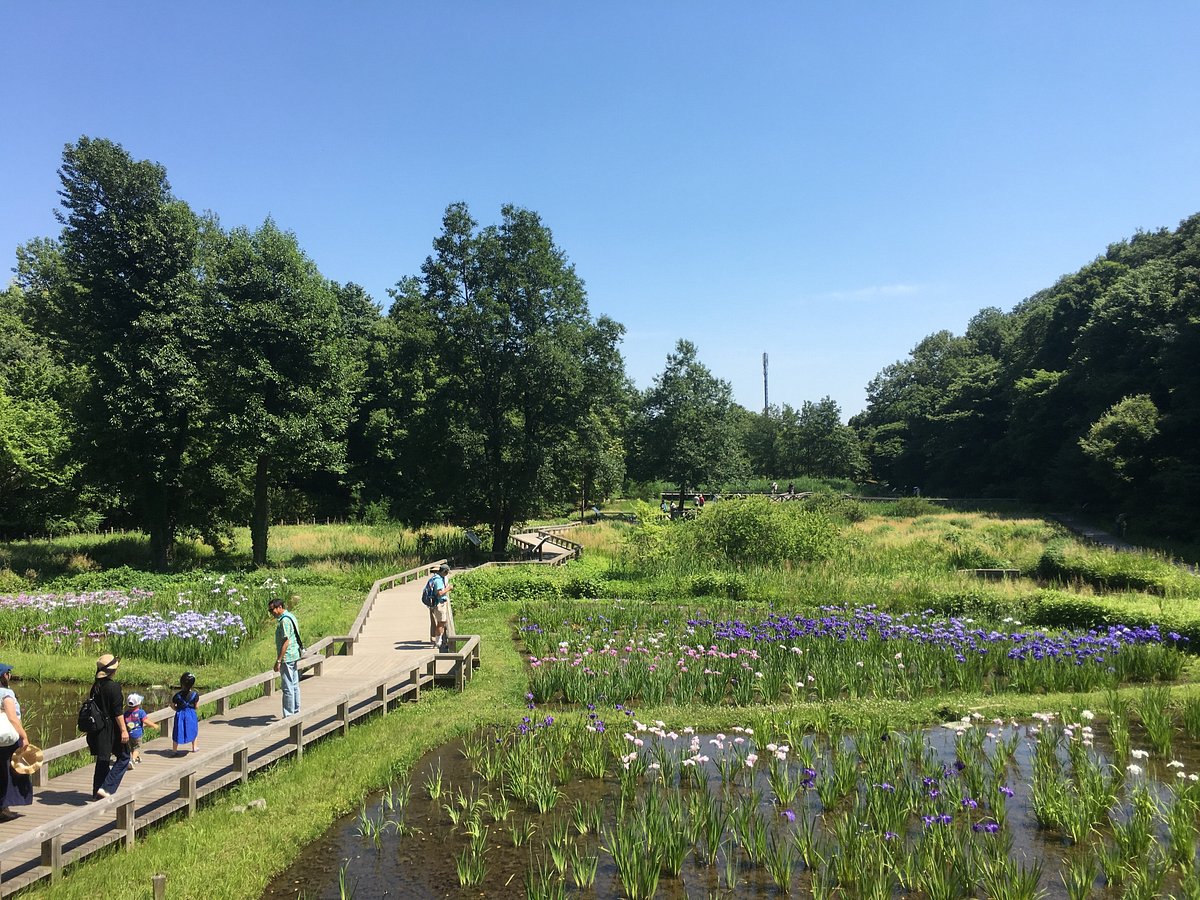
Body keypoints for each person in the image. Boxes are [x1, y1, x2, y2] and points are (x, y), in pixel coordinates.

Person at [88, 653, 130, 799]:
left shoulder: (96, 686)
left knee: (103, 759)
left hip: (98, 728)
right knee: (124, 757)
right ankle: (107, 788)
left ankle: (97, 792)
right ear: (113, 671)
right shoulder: (114, 687)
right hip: (112, 727)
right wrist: (124, 730)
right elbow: (118, 712)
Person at [0, 663, 33, 821]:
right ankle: (3, 807)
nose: (9, 675)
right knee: (10, 772)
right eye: (8, 672)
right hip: (8, 739)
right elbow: (12, 718)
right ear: (4, 676)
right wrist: (24, 736)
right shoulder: (6, 694)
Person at [270, 599, 302, 718]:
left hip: (287, 657)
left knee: (287, 687)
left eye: (272, 609)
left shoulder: (284, 621)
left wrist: (279, 660)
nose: (271, 612)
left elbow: (286, 641)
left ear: (279, 607)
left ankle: (289, 716)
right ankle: (296, 711)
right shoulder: (291, 616)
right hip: (294, 654)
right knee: (294, 685)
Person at [425, 563, 453, 652]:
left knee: (440, 622)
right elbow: (440, 593)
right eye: (447, 572)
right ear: (444, 572)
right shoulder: (438, 580)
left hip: (434, 603)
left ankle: (438, 640)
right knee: (441, 622)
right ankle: (439, 641)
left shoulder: (435, 578)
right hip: (439, 604)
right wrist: (449, 588)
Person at [170, 674, 199, 756]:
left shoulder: (177, 696)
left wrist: (177, 709)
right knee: (193, 729)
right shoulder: (195, 695)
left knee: (177, 730)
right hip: (191, 713)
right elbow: (196, 706)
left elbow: (172, 705)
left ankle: (174, 750)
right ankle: (194, 747)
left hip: (180, 714)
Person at [124, 693, 154, 764]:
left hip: (129, 734)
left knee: (132, 747)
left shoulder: (126, 713)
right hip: (137, 734)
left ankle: (136, 758)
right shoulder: (141, 712)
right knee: (137, 747)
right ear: (138, 704)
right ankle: (132, 760)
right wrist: (153, 725)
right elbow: (145, 721)